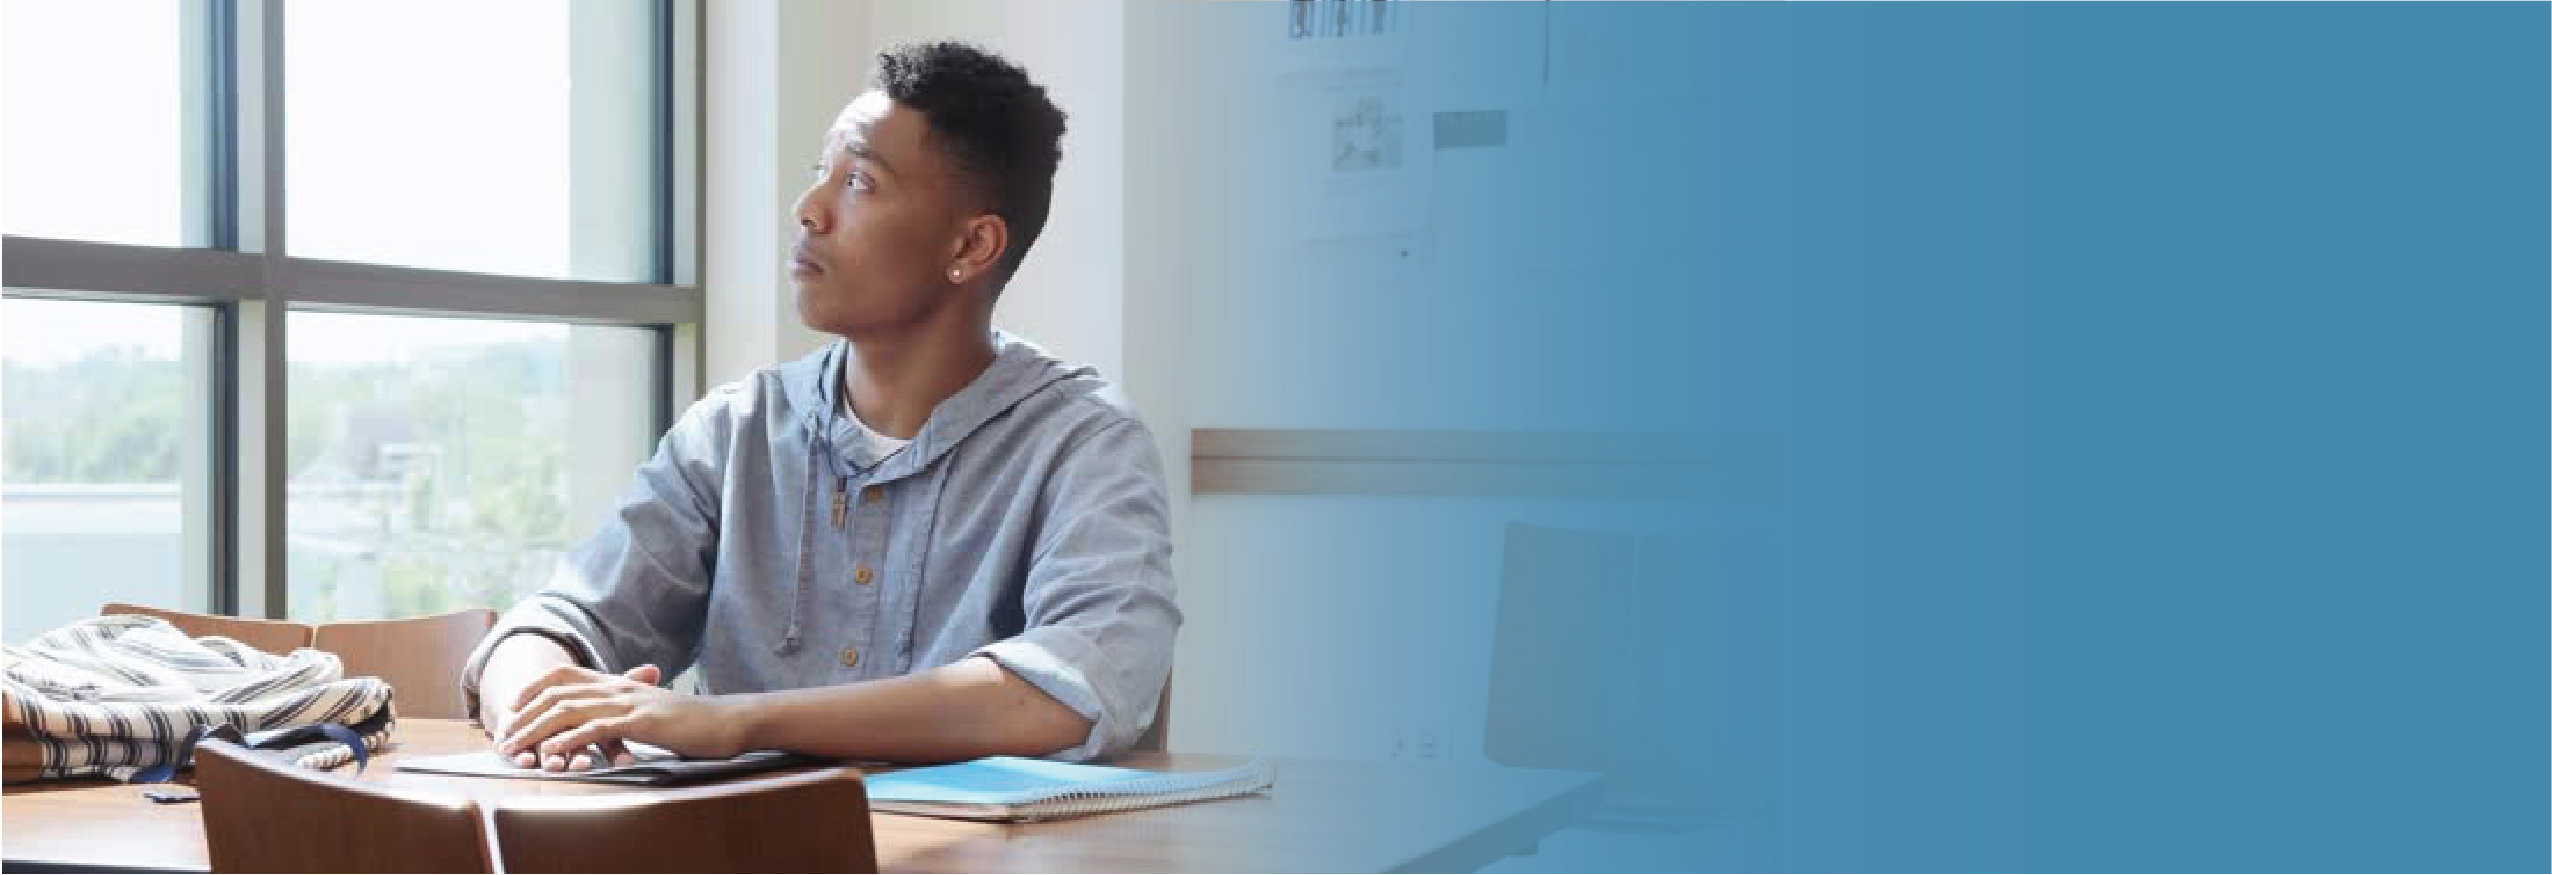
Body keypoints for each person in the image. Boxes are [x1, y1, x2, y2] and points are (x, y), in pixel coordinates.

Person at [459, 41, 1177, 772]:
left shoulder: (1087, 442)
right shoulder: (735, 430)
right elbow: (560, 619)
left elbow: (1078, 682)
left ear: (971, 244)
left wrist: (733, 721)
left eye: (860, 181)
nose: (808, 210)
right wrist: (538, 704)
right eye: (818, 175)